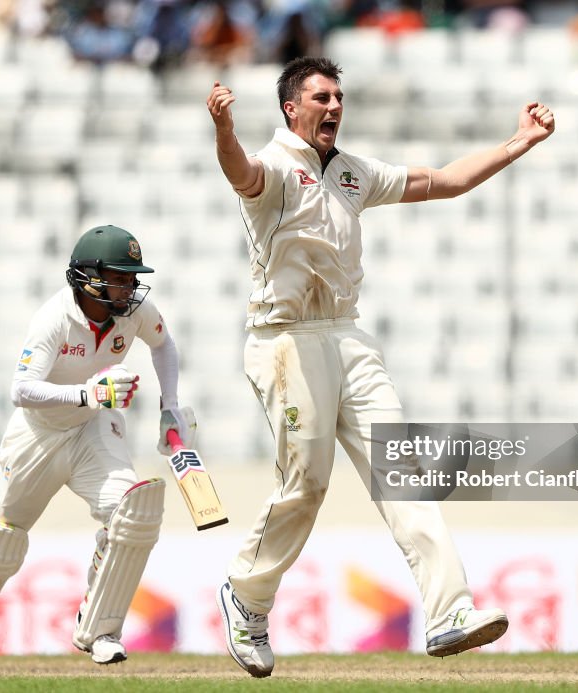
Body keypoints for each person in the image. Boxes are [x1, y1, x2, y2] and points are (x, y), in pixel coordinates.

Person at [205, 57, 554, 677]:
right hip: (286, 339)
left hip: (348, 336)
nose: (335, 106)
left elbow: (444, 180)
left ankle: (449, 611)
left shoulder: (352, 173)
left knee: (404, 471)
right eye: (322, 97)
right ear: (292, 107)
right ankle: (246, 593)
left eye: (340, 96)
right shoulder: (275, 166)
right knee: (306, 485)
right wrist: (223, 131)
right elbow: (241, 173)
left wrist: (519, 142)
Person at [0, 225, 195, 676]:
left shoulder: (136, 311)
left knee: (134, 509)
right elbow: (21, 390)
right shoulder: (53, 318)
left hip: (93, 431)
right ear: (88, 277)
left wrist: (170, 409)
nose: (129, 288)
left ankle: (101, 631)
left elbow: (164, 346)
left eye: (131, 278)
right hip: (38, 435)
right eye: (119, 278)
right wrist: (86, 394)